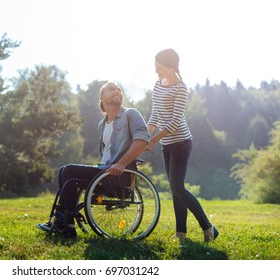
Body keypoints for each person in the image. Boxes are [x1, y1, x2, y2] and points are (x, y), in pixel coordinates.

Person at [37, 81, 150, 237]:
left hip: (120, 177)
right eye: (112, 89)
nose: (117, 91)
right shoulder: (101, 125)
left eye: (118, 90)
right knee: (65, 172)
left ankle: (64, 223)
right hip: (104, 173)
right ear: (102, 98)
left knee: (69, 170)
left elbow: (142, 141)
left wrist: (121, 164)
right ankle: (65, 223)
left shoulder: (131, 114)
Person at [146, 48, 219, 242]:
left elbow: (174, 122)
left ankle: (208, 227)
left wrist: (153, 140)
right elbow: (155, 114)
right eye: (155, 66)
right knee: (175, 188)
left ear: (171, 67)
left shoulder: (181, 88)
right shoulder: (158, 84)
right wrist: (145, 135)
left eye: (160, 67)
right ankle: (181, 232)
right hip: (167, 144)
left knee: (178, 187)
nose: (156, 70)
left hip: (181, 143)